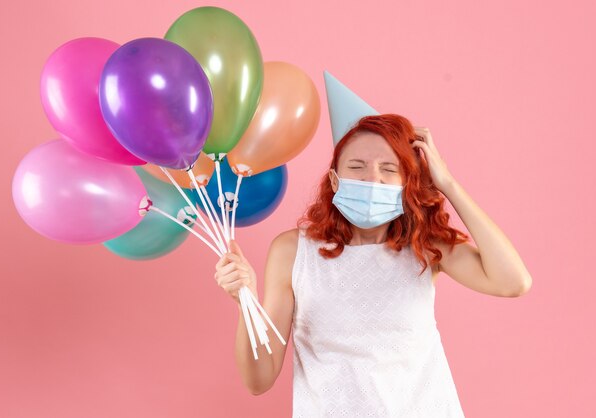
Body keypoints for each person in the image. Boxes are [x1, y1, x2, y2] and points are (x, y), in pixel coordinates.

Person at [214, 75, 533, 417]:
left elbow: (513, 282)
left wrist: (448, 183)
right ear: (335, 180)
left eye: (389, 169)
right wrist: (243, 298)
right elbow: (259, 379)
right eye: (357, 167)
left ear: (407, 182)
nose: (373, 179)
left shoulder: (425, 245)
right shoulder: (293, 251)